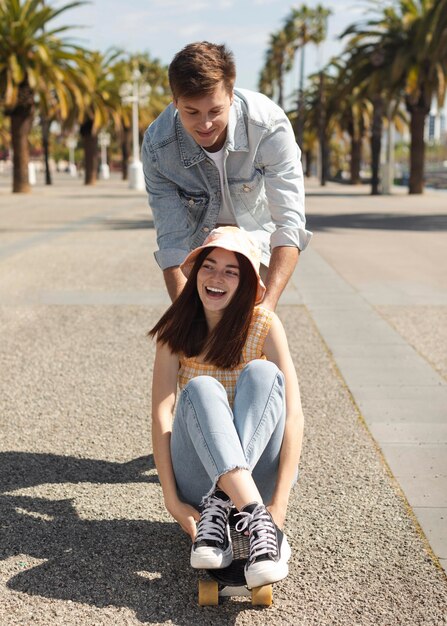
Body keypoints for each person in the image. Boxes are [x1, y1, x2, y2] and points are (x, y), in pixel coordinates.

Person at [149, 226, 304, 588]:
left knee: (264, 373)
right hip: (196, 479)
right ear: (196, 272)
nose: (217, 278)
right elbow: (161, 414)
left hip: (258, 479)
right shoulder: (176, 330)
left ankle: (236, 505)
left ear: (247, 282)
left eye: (231, 271)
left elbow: (293, 416)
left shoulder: (264, 325)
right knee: (201, 388)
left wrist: (278, 505)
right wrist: (172, 500)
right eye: (209, 266)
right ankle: (241, 513)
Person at [142, 41, 312, 311]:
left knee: (253, 331)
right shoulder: (158, 146)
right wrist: (182, 315)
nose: (205, 124)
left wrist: (267, 308)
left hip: (256, 240)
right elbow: (172, 240)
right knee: (194, 337)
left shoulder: (268, 126)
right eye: (192, 112)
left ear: (231, 95)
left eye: (215, 111)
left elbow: (289, 225)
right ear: (175, 102)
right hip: (199, 247)